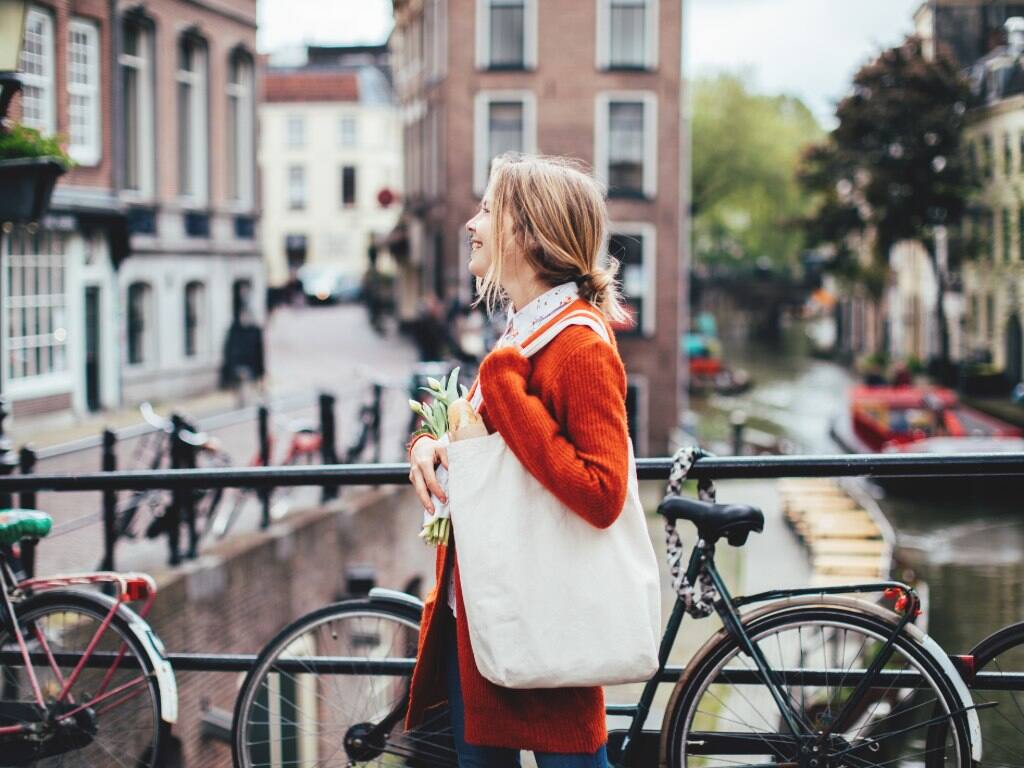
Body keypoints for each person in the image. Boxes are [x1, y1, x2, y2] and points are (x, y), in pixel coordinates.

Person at [405, 153, 632, 768]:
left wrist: (505, 385)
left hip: (539, 614)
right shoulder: (521, 331)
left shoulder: (577, 344)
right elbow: (491, 448)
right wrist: (429, 447)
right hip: (479, 609)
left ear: (528, 233)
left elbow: (602, 492)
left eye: (487, 210)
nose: (472, 224)